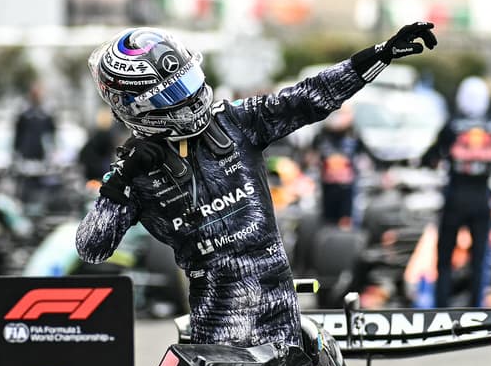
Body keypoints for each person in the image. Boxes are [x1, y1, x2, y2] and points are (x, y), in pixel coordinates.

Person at [76, 24, 437, 348]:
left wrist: (380, 55)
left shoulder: (237, 121)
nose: (189, 99)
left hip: (281, 312)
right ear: (133, 106)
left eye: (187, 84)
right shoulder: (133, 172)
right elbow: (91, 248)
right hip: (218, 326)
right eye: (172, 95)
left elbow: (312, 96)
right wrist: (120, 181)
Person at [420, 76, 491, 309]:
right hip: (482, 198)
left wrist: (439, 161)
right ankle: (476, 308)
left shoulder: (453, 124)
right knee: (479, 259)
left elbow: (430, 156)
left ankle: (441, 306)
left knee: (444, 259)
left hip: (455, 196)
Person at [310, 106, 379, 227]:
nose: (338, 118)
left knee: (347, 217)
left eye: (342, 114)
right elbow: (310, 156)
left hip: (347, 186)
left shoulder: (354, 135)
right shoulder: (321, 135)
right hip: (328, 186)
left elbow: (370, 156)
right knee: (328, 218)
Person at [79, 108, 120, 181]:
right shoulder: (105, 135)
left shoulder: (96, 134)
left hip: (90, 168)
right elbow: (110, 151)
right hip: (98, 170)